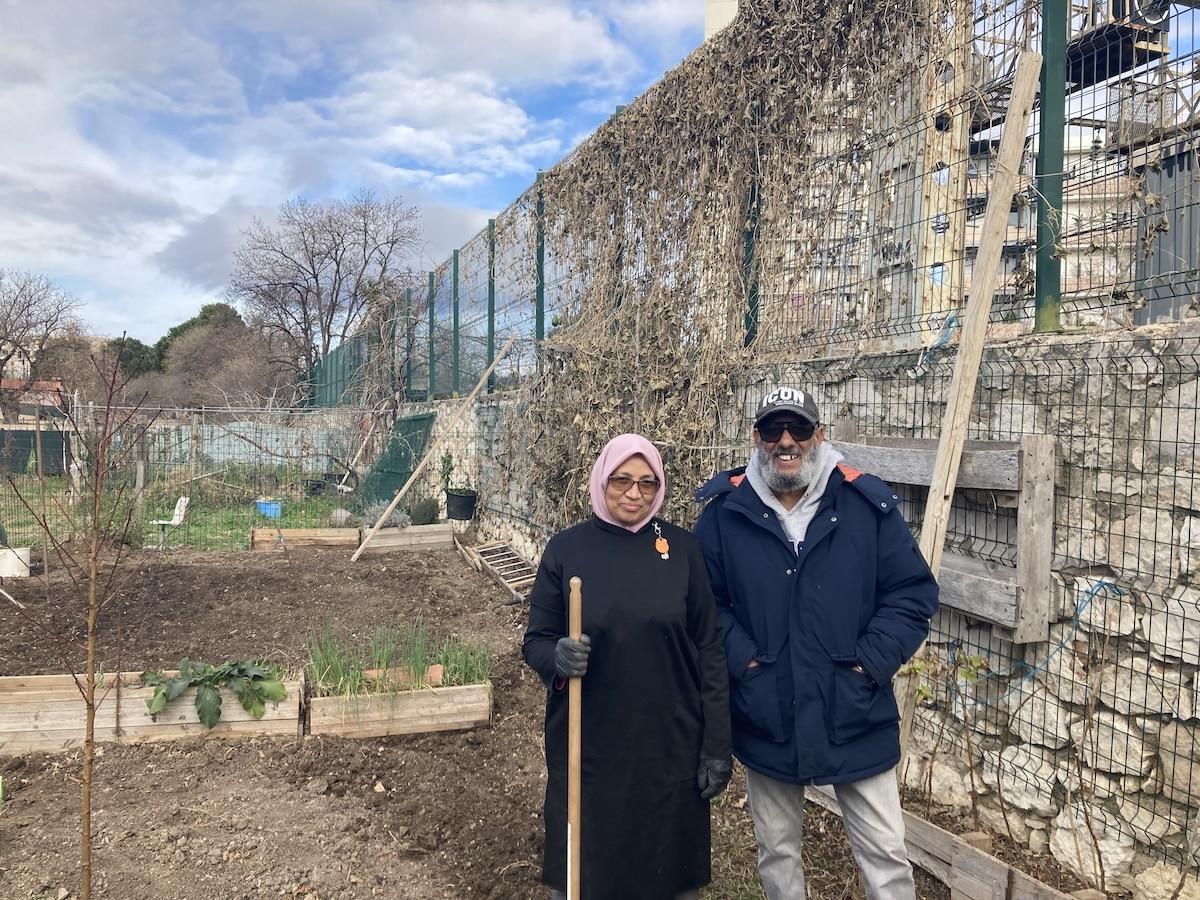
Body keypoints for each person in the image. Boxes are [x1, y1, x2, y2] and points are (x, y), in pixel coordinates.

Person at [693, 387, 939, 900]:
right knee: (778, 853)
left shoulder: (864, 504)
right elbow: (705, 605)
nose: (787, 442)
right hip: (768, 711)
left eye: (799, 430)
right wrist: (746, 661)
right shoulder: (724, 513)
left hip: (855, 711)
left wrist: (869, 664)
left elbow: (912, 593)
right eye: (774, 430)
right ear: (756, 438)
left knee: (887, 858)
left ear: (819, 436)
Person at [523, 433, 732, 900]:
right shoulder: (567, 550)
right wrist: (557, 656)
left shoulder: (682, 550)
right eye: (621, 480)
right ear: (601, 479)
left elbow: (710, 650)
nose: (634, 493)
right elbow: (535, 640)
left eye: (646, 482)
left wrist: (717, 744)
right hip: (590, 744)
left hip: (669, 745)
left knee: (668, 871)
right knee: (586, 868)